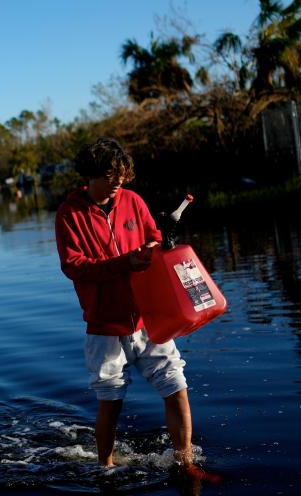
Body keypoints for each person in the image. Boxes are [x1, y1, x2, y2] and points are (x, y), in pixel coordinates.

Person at [54, 137, 198, 473]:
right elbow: (73, 266)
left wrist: (158, 243)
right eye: (111, 175)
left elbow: (153, 236)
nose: (119, 181)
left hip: (149, 318)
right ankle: (105, 467)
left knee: (177, 387)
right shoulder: (69, 214)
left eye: (122, 175)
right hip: (105, 325)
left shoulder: (132, 200)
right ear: (91, 174)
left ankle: (187, 463)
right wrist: (124, 263)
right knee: (111, 403)